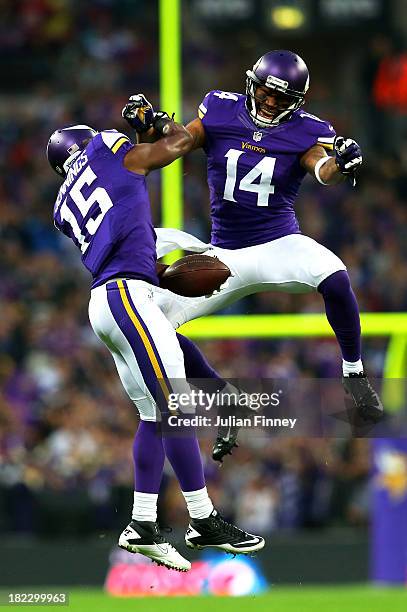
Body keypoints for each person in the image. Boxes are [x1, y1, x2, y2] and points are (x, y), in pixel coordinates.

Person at [129, 51, 383, 458]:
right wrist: (153, 126)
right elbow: (182, 142)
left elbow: (320, 170)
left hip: (278, 244)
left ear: (297, 101)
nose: (270, 103)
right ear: (252, 83)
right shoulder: (219, 108)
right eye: (266, 92)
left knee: (335, 275)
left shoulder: (307, 130)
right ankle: (225, 397)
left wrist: (340, 163)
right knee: (148, 323)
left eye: (282, 99)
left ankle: (354, 373)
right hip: (222, 256)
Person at [46, 101, 265, 571]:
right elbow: (180, 145)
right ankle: (203, 519)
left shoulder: (63, 204)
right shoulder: (104, 147)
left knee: (154, 413)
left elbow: (126, 219)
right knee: (176, 408)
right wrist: (159, 122)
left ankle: (142, 524)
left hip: (116, 298)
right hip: (127, 295)